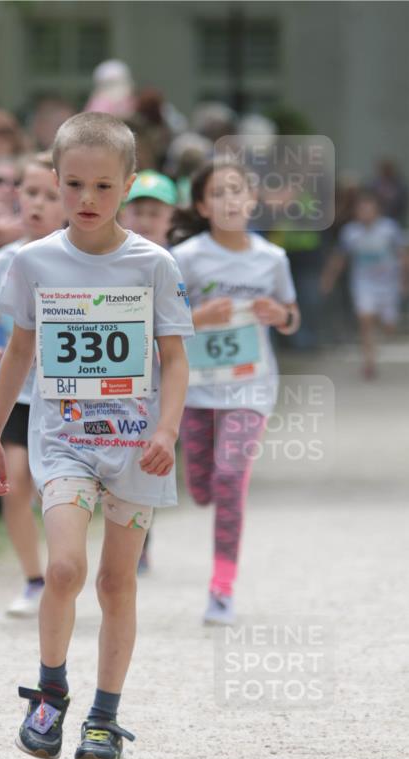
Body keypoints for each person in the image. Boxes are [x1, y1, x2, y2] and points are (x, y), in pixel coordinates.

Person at [0, 112, 192, 759]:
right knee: (65, 569)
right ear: (54, 179)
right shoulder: (33, 261)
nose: (88, 199)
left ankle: (104, 720)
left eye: (104, 186)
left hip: (135, 444)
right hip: (64, 439)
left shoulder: (153, 264)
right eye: (74, 184)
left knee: (116, 582)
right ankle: (50, 696)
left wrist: (167, 429)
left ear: (128, 184)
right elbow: (19, 350)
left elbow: (175, 360)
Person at [172, 159, 300, 626]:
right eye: (218, 193)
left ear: (252, 199)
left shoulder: (272, 258)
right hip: (197, 389)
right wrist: (199, 318)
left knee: (229, 477)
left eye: (237, 190)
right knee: (202, 488)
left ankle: (221, 589)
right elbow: (161, 321)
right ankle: (208, 490)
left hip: (251, 387)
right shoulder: (184, 257)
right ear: (203, 206)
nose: (229, 200)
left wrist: (280, 316)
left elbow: (292, 316)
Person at [0, 152, 65, 616]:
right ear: (17, 195)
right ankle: (33, 579)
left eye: (50, 195)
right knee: (15, 483)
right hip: (20, 396)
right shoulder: (4, 261)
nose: (38, 203)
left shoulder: (83, 258)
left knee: (61, 493)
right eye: (30, 192)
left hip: (70, 399)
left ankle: (66, 573)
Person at [120, 169, 178, 572]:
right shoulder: (112, 258)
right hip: (118, 380)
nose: (145, 220)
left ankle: (141, 540)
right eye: (138, 210)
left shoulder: (177, 263)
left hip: (163, 381)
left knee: (148, 455)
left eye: (154, 213)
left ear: (170, 217)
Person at [320, 188, 409, 379]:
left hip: (388, 285)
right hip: (363, 283)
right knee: (365, 320)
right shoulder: (350, 232)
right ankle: (369, 362)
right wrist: (329, 278)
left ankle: (383, 324)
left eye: (369, 209)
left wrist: (404, 280)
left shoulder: (390, 229)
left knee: (389, 326)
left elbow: (403, 255)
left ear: (377, 210)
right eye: (361, 209)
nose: (365, 213)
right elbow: (340, 257)